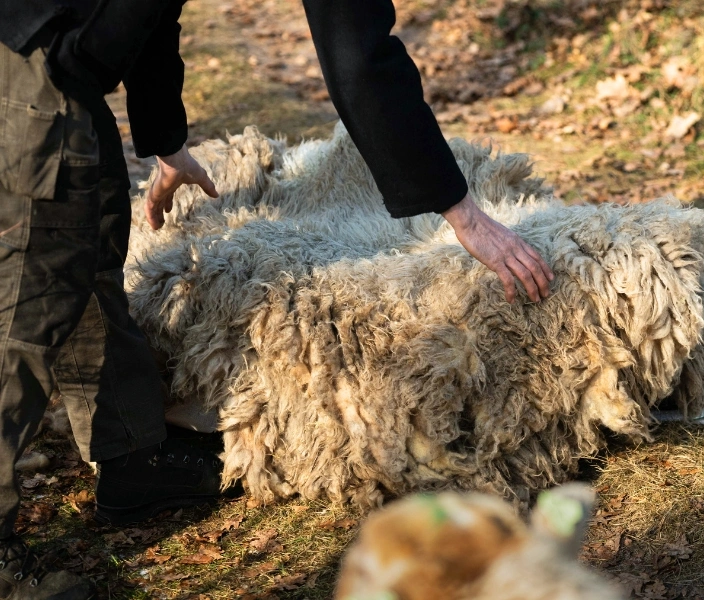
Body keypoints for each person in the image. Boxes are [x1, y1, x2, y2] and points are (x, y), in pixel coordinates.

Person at [0, 0, 553, 597]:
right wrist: (462, 214)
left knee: (88, 236)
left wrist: (165, 139)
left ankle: (132, 458)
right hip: (31, 47)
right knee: (32, 295)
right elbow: (357, 55)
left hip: (58, 48)